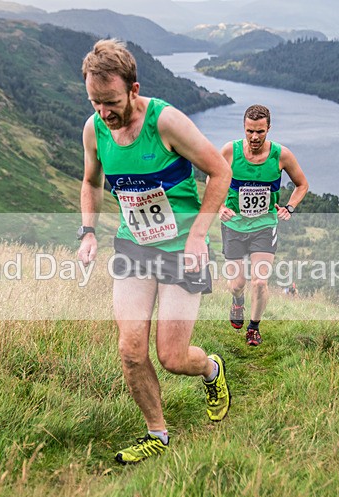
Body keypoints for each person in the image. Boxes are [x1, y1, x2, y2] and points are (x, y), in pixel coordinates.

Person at [77, 39, 232, 465]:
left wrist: (199, 235)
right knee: (130, 349)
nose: (104, 113)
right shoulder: (94, 129)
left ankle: (211, 370)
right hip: (133, 247)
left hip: (182, 250)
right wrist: (88, 232)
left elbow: (221, 171)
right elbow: (91, 182)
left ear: (133, 89)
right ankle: (156, 434)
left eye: (111, 102)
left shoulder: (167, 123)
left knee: (173, 357)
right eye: (94, 103)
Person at [219, 104, 309, 346]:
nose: (255, 137)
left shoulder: (282, 155)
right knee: (237, 284)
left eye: (260, 131)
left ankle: (254, 327)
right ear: (244, 128)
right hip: (234, 225)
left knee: (259, 281)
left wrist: (289, 207)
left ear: (269, 128)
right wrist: (219, 207)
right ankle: (237, 301)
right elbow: (212, 177)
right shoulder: (230, 151)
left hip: (264, 225)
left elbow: (302, 184)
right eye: (250, 131)